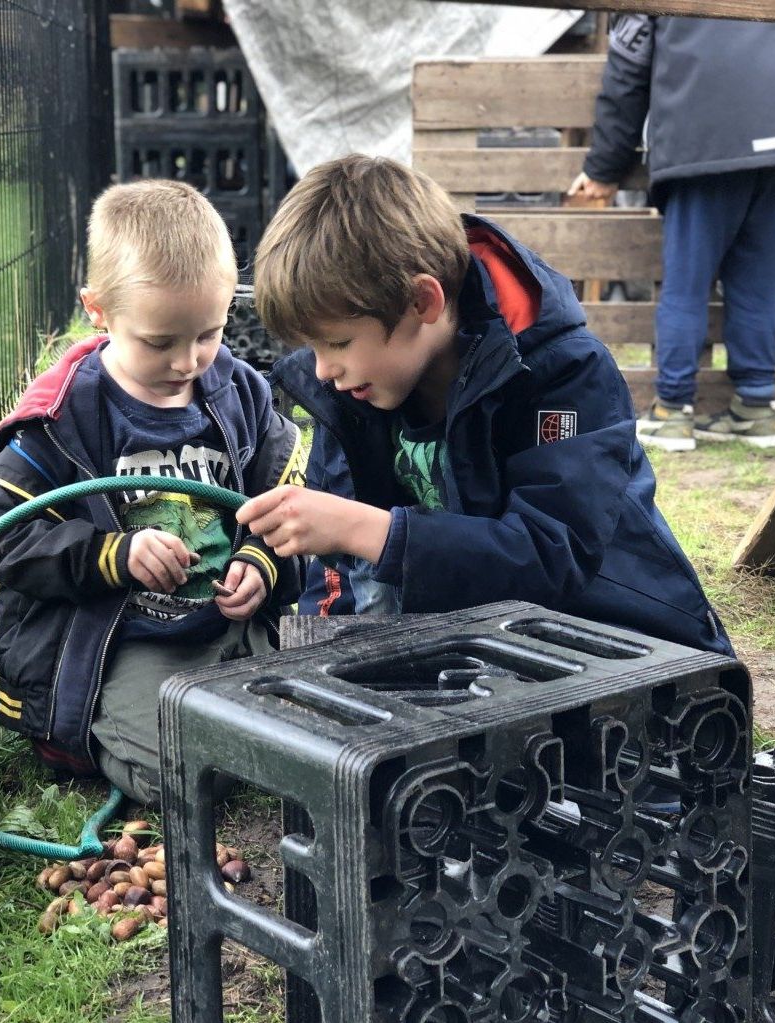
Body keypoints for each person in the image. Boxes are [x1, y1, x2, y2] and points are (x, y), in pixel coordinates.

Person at [235, 154, 731, 659]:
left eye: (337, 343)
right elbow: (336, 572)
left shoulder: (564, 374)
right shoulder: (357, 388)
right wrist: (315, 657)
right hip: (472, 648)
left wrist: (367, 530)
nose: (321, 371)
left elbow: (552, 557)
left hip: (622, 647)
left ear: (421, 302)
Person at [0, 180, 306, 807]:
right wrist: (112, 555)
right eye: (161, 342)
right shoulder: (61, 417)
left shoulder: (240, 392)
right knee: (187, 771)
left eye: (209, 332)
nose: (189, 361)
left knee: (304, 727)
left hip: (226, 625)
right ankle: (108, 732)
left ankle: (226, 710)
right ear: (98, 310)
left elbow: (283, 488)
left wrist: (261, 560)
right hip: (121, 644)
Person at [569, 15, 775, 452]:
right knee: (759, 285)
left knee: (687, 286)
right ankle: (757, 407)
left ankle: (672, 411)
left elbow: (626, 75)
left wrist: (603, 168)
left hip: (705, 142)